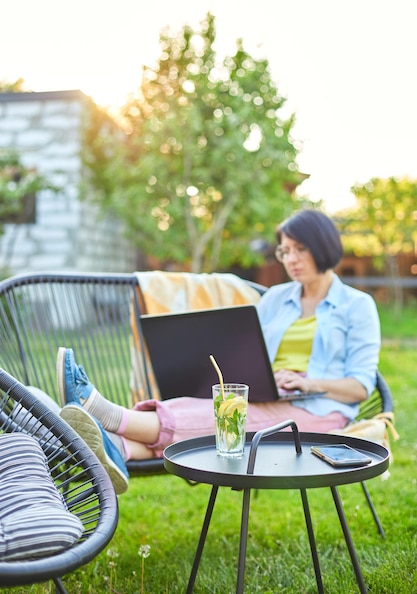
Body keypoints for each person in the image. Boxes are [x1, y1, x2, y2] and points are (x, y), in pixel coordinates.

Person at [56, 209, 381, 492]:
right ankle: (115, 448)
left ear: (322, 246)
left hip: (320, 412)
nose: (291, 260)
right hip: (267, 396)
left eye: (300, 249)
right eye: (284, 252)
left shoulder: (357, 306)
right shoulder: (276, 299)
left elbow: (360, 387)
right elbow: (249, 349)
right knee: (206, 405)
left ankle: (103, 413)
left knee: (224, 415)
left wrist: (309, 383)